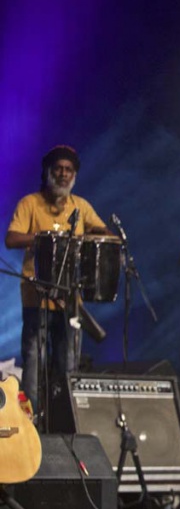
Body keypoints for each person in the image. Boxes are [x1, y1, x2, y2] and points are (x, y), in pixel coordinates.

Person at [5, 145, 109, 415]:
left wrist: (95, 238)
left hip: (69, 301)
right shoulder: (30, 203)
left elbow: (104, 233)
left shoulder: (80, 207)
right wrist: (46, 239)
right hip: (36, 297)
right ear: (48, 172)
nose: (63, 174)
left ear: (74, 175)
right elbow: (11, 238)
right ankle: (31, 421)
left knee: (68, 362)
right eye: (59, 169)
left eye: (68, 170)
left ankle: (65, 418)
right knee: (33, 360)